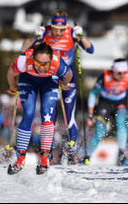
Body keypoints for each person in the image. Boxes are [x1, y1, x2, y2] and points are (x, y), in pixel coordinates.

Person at [21, 11, 94, 164]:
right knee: (49, 116)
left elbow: (90, 49)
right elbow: (24, 50)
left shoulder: (71, 33)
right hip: (50, 77)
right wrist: (36, 37)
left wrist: (80, 36)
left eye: (62, 29)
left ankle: (72, 149)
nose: (58, 32)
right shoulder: (45, 31)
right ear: (51, 26)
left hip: (68, 76)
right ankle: (48, 151)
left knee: (69, 116)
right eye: (55, 28)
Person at [6, 43, 73, 175]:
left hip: (49, 81)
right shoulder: (23, 60)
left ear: (51, 59)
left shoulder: (57, 62)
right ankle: (20, 158)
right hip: (28, 79)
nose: (42, 67)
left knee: (47, 114)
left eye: (45, 64)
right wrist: (13, 86)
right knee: (29, 114)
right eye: (38, 63)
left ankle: (44, 158)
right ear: (33, 58)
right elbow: (10, 73)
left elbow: (69, 74)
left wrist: (64, 84)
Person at [84, 59, 128, 165]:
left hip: (120, 104)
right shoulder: (104, 77)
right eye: (119, 73)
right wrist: (90, 115)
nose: (122, 75)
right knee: (100, 133)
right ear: (113, 70)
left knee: (121, 125)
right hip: (104, 104)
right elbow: (93, 94)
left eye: (124, 72)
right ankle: (87, 156)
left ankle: (122, 155)